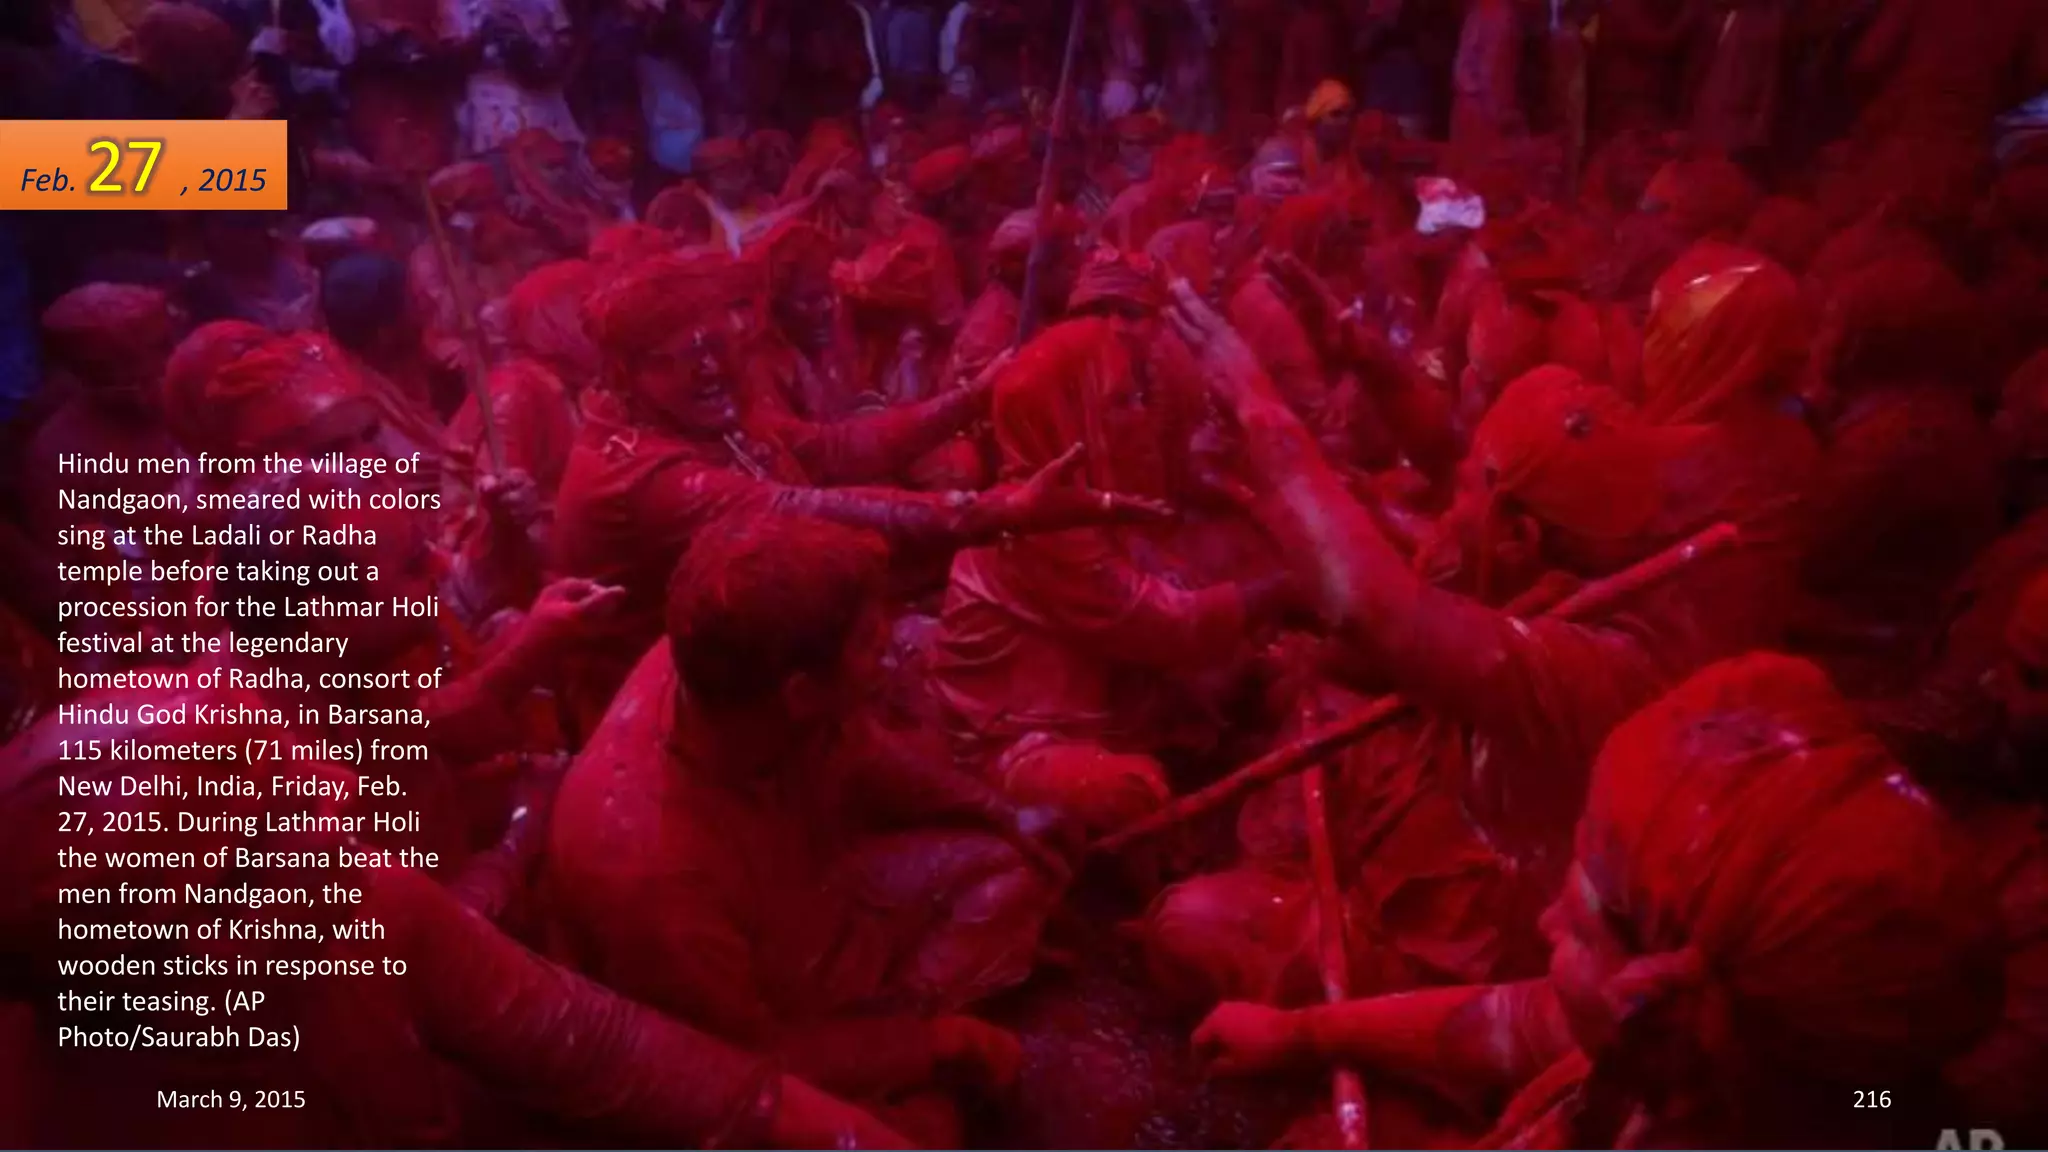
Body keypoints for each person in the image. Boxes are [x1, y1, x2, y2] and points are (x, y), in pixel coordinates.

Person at [1191, 653, 2003, 1148]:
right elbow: (1521, 1023)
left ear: (1663, 999)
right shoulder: (1795, 1075)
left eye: (1577, 926)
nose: (1546, 923)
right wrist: (1301, 1034)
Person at [546, 516, 1065, 1146]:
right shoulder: (654, 873)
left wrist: (999, 809)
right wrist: (933, 1043)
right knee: (925, 1131)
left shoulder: (730, 677)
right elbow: (745, 1063)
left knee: (1010, 869)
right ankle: (917, 1061)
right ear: (801, 694)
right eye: (870, 645)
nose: (889, 650)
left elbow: (866, 752)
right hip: (755, 1034)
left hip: (827, 924)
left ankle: (906, 1041)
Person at [931, 317, 1297, 834]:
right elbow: (1156, 623)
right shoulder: (1039, 526)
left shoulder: (1084, 500)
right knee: (1128, 790)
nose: (1140, 419)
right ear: (1068, 417)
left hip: (1095, 709)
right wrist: (1281, 591)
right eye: (1121, 404)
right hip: (1017, 745)